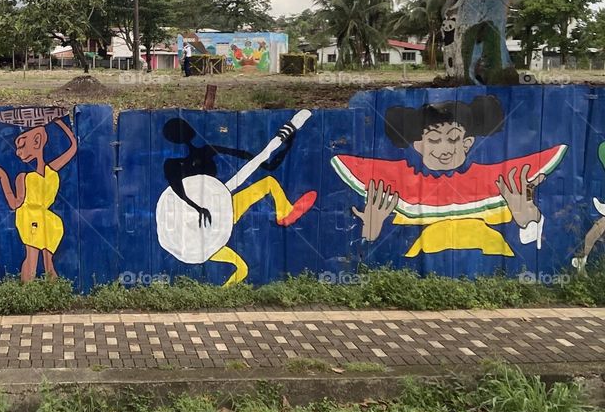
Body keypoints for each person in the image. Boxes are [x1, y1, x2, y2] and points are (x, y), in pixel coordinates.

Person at [332, 95, 565, 258]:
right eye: (434, 140)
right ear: (418, 146)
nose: (444, 149)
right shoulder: (387, 206)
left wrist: (528, 221)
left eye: (453, 138)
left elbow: (532, 253)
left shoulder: (509, 194)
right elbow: (370, 256)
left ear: (468, 144)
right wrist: (371, 231)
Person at [157, 113, 317, 284]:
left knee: (242, 268)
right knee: (269, 184)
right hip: (198, 227)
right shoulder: (183, 160)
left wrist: (283, 145)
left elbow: (255, 159)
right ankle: (284, 211)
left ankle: (285, 212)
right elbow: (177, 189)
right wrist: (198, 208)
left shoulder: (200, 153)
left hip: (216, 216)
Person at [0, 116, 78, 281]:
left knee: (43, 261)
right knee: (36, 260)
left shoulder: (47, 170)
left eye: (22, 144)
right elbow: (15, 204)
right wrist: (2, 176)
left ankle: (40, 293)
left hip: (47, 220)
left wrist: (57, 120)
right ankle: (35, 292)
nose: (18, 151)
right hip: (30, 218)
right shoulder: (26, 177)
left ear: (38, 141)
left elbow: (72, 148)